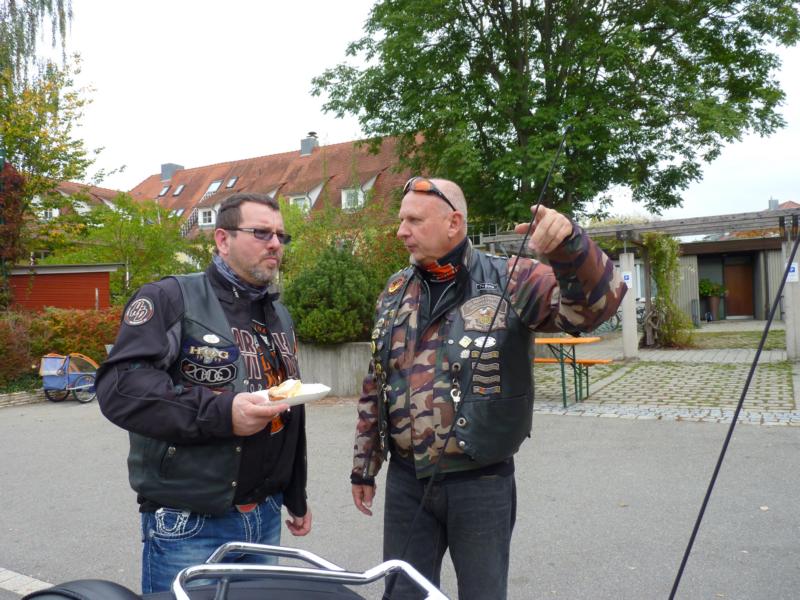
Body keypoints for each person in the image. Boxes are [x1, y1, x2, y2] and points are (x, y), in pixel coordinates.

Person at [350, 177, 626, 599]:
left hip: (480, 482)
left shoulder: (510, 278)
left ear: (454, 223)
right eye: (402, 220)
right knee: (403, 593)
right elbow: (377, 379)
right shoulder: (395, 291)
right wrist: (364, 465)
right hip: (407, 481)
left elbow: (591, 311)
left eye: (414, 221)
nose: (401, 231)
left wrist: (571, 247)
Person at [96, 192, 312, 594]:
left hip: (265, 517)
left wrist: (294, 494)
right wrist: (223, 413)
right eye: (261, 232)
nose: (275, 244)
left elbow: (288, 408)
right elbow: (122, 387)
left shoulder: (277, 313)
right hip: (191, 524)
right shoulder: (169, 298)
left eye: (281, 236)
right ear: (222, 239)